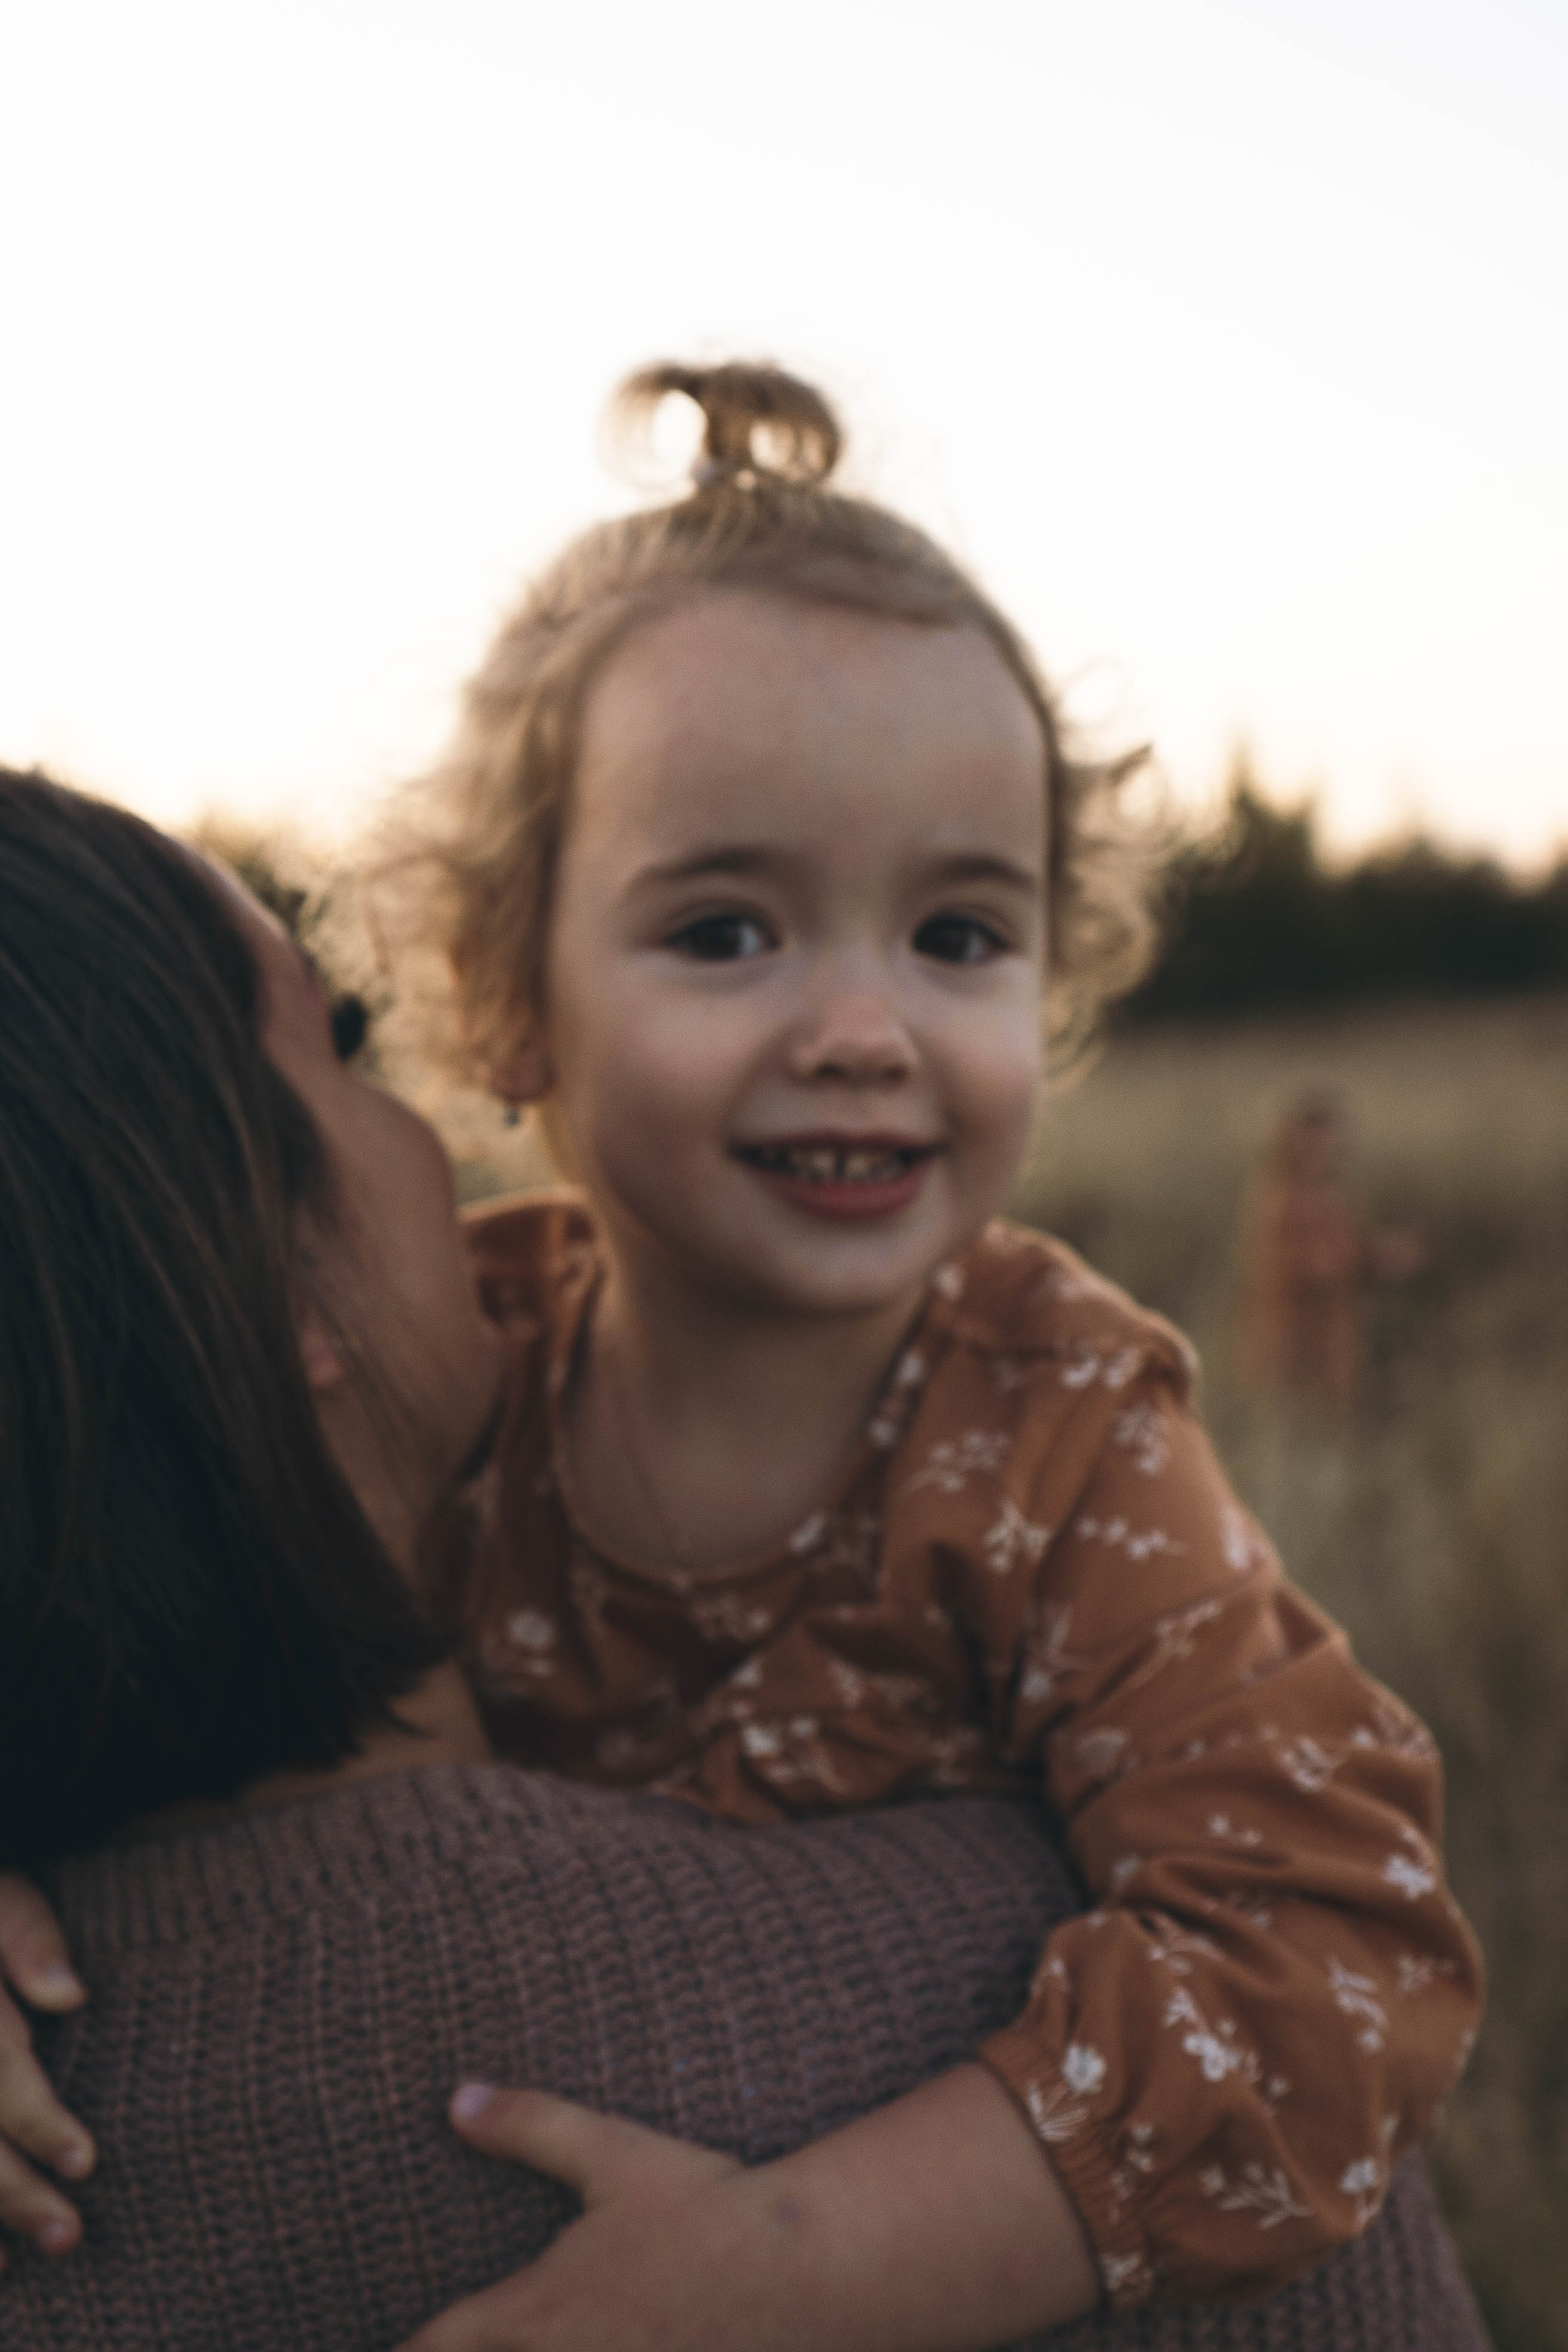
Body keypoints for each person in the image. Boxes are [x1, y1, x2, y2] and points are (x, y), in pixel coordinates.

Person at [0, 771, 1490, 2352]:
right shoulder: (1038, 1984)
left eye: (960, 934)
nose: (858, 1033)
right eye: (344, 1049)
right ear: (252, 1278)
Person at [375, 361, 1481, 2315]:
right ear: (502, 991)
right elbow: (132, 1643)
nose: (867, 1029)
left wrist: (784, 2272)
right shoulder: (445, 1361)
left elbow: (1328, 1948)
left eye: (958, 935)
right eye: (726, 930)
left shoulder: (1055, 1426)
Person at [1238, 1088, 1425, 1419]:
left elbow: (1342, 1249)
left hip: (1329, 1353)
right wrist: (1378, 1260)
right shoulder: (1280, 1201)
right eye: (1318, 1144)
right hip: (1294, 1353)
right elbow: (1310, 1267)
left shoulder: (1328, 1198)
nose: (1329, 1153)